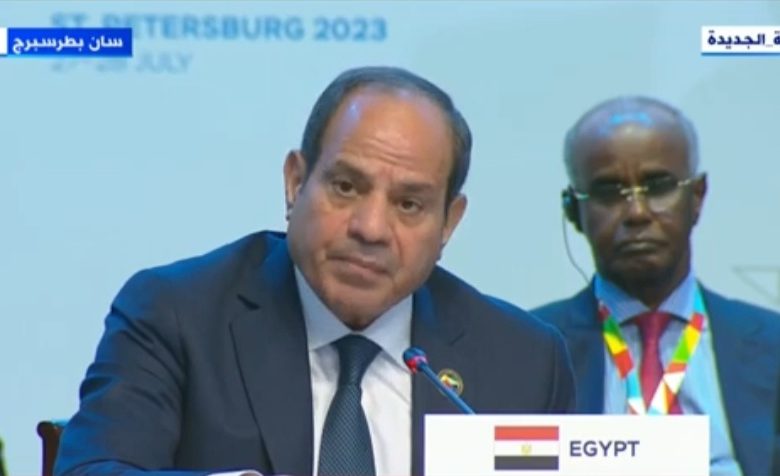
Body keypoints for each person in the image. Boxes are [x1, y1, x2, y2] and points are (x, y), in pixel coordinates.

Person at [55, 66, 575, 476]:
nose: (371, 228)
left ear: (449, 223)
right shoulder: (177, 315)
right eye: (346, 187)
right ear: (295, 183)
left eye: (409, 204)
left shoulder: (525, 361)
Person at [533, 95, 780, 476]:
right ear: (573, 210)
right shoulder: (529, 350)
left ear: (696, 197)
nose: (637, 213)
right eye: (609, 191)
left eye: (658, 186)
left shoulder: (772, 346)